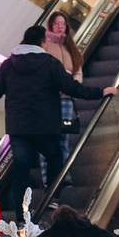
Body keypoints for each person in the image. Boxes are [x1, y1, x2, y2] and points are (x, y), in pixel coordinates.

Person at [0, 23, 116, 221]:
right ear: (43, 44)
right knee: (54, 157)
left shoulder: (8, 64)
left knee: (21, 168)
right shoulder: (50, 63)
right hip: (45, 126)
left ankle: (19, 215)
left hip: (18, 128)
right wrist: (100, 92)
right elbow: (71, 87)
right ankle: (52, 197)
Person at [42, 12, 83, 162]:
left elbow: (77, 71)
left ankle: (64, 177)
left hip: (66, 97)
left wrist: (73, 86)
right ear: (50, 25)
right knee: (47, 139)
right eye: (56, 23)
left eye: (63, 23)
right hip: (48, 99)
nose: (60, 27)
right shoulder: (45, 45)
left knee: (63, 138)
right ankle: (48, 179)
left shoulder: (71, 47)